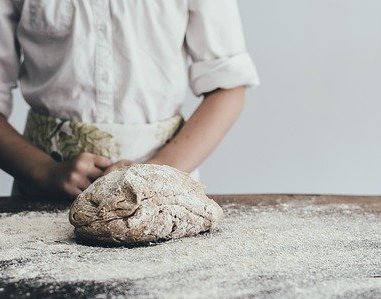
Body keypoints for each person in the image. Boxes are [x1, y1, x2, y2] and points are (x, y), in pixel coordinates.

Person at [0, 0, 259, 199]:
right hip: (42, 193)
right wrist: (44, 171)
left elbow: (228, 88)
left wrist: (155, 174)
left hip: (163, 193)